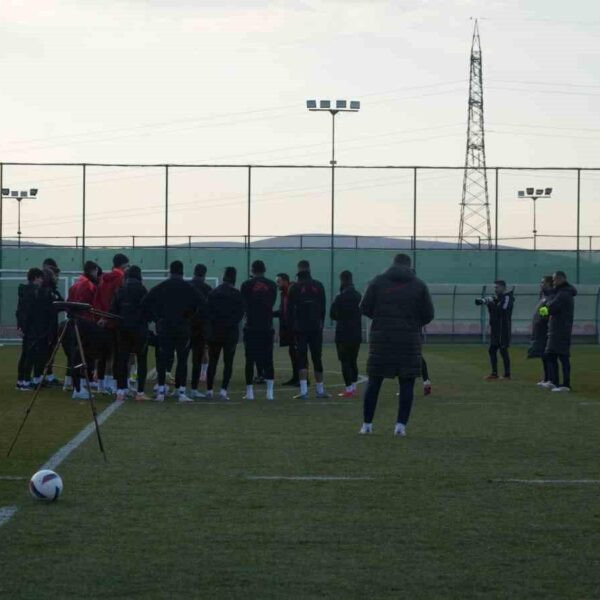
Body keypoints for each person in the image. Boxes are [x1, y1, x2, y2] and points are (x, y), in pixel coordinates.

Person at [359, 253, 434, 436]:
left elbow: (364, 307)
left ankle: (367, 425)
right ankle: (400, 427)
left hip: (381, 340)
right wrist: (413, 322)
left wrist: (381, 319)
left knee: (374, 381)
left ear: (392, 264)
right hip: (409, 341)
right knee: (406, 383)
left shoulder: (377, 282)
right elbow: (428, 314)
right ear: (410, 266)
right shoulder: (419, 285)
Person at [142, 260, 204, 402]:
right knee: (182, 359)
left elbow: (145, 302)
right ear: (182, 272)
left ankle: (161, 392)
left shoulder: (162, 286)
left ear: (170, 271)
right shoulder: (188, 287)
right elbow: (202, 304)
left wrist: (157, 317)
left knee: (163, 359)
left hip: (165, 327)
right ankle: (181, 392)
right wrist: (190, 316)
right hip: (183, 327)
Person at [287, 260, 330, 400]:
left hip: (300, 328)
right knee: (317, 357)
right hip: (316, 327)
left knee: (302, 358)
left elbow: (289, 311)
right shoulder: (319, 285)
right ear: (309, 269)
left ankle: (304, 391)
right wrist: (321, 324)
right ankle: (320, 390)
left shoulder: (294, 287)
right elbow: (323, 308)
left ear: (299, 270)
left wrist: (291, 327)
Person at [111, 266, 150, 402]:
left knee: (122, 359)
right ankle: (139, 392)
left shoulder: (120, 290)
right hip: (139, 329)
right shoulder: (142, 289)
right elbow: (148, 309)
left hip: (122, 329)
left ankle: (120, 391)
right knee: (142, 360)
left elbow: (113, 311)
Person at [241, 260, 277, 401]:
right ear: (265, 269)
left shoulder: (246, 285)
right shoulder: (272, 285)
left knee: (249, 359)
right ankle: (269, 392)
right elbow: (272, 303)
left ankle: (250, 392)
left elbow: (243, 304)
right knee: (269, 359)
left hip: (251, 326)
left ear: (252, 270)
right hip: (267, 326)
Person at [93, 253, 130, 393]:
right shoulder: (121, 278)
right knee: (115, 354)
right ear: (122, 265)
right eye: (127, 266)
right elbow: (118, 301)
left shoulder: (103, 279)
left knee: (101, 354)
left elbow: (96, 299)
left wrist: (99, 317)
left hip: (101, 320)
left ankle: (100, 385)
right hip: (114, 320)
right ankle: (113, 384)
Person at [206, 267, 244, 400]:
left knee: (212, 361)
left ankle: (209, 390)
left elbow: (207, 312)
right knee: (228, 362)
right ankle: (223, 390)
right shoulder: (236, 294)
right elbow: (240, 314)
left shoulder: (213, 292)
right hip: (230, 333)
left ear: (223, 277)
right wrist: (230, 323)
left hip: (215, 332)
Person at [541, 271, 577, 392]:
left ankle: (566, 385)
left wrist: (544, 309)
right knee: (551, 354)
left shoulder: (564, 294)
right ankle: (554, 382)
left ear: (562, 279)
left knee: (562, 356)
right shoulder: (560, 292)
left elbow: (551, 307)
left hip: (561, 329)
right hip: (556, 328)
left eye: (555, 279)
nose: (553, 282)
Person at [330, 270, 362, 398]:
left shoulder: (339, 297)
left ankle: (348, 389)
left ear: (341, 280)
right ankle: (353, 388)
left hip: (343, 333)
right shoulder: (358, 296)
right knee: (353, 360)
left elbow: (332, 315)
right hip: (356, 333)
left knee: (345, 361)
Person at [15, 268, 47, 390]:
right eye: (40, 278)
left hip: (27, 327)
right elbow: (26, 312)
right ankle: (26, 381)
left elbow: (20, 311)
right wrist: (24, 326)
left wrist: (20, 326)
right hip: (31, 328)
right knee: (30, 355)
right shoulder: (32, 291)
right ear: (35, 278)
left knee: (25, 354)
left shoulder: (25, 290)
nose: (42, 280)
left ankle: (20, 381)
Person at [481, 280, 514, 381]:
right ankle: (494, 373)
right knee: (492, 350)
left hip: (503, 329)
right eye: (495, 287)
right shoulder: (497, 299)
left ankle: (507, 374)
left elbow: (502, 311)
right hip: (496, 329)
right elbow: (495, 312)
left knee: (503, 350)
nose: (495, 289)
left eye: (497, 287)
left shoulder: (508, 297)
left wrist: (491, 304)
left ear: (503, 288)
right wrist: (490, 303)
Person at [189, 264, 213, 398]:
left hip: (185, 326)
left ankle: (178, 388)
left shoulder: (186, 286)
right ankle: (194, 388)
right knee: (197, 359)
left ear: (194, 272)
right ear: (205, 274)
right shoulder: (207, 288)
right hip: (200, 328)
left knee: (181, 358)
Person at [527, 275, 555, 386]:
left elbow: (547, 313)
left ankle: (551, 379)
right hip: (539, 330)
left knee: (548, 355)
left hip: (546, 330)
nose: (541, 284)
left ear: (549, 283)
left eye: (543, 282)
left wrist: (543, 320)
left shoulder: (552, 296)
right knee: (543, 355)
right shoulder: (543, 296)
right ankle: (546, 378)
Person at [40, 259, 63, 387]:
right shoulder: (45, 292)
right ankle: (39, 377)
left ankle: (48, 376)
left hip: (51, 325)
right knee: (45, 350)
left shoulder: (52, 291)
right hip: (45, 327)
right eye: (55, 275)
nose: (57, 277)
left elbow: (60, 303)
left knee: (51, 349)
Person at [273, 272, 298, 386]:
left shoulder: (293, 291)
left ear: (285, 281)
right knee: (292, 352)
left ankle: (303, 379)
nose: (277, 284)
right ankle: (296, 377)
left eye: (279, 281)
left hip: (296, 329)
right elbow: (283, 312)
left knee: (298, 353)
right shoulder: (284, 294)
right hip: (289, 329)